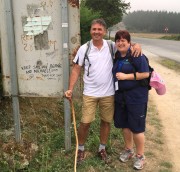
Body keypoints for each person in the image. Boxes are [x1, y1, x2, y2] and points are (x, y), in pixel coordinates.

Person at [64, 18, 141, 164]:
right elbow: (76, 70)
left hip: (108, 93)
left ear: (104, 32)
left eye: (100, 29)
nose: (96, 32)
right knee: (85, 122)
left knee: (106, 121)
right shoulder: (84, 48)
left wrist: (137, 45)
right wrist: (70, 89)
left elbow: (125, 46)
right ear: (90, 31)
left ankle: (102, 148)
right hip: (90, 93)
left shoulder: (111, 46)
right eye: (94, 29)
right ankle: (80, 149)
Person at [112, 30, 149, 170]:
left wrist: (126, 77)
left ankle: (140, 156)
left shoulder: (136, 55)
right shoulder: (116, 55)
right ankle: (128, 150)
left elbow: (145, 74)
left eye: (124, 40)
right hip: (121, 97)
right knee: (125, 126)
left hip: (136, 98)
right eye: (118, 40)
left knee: (137, 128)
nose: (120, 43)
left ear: (129, 42)